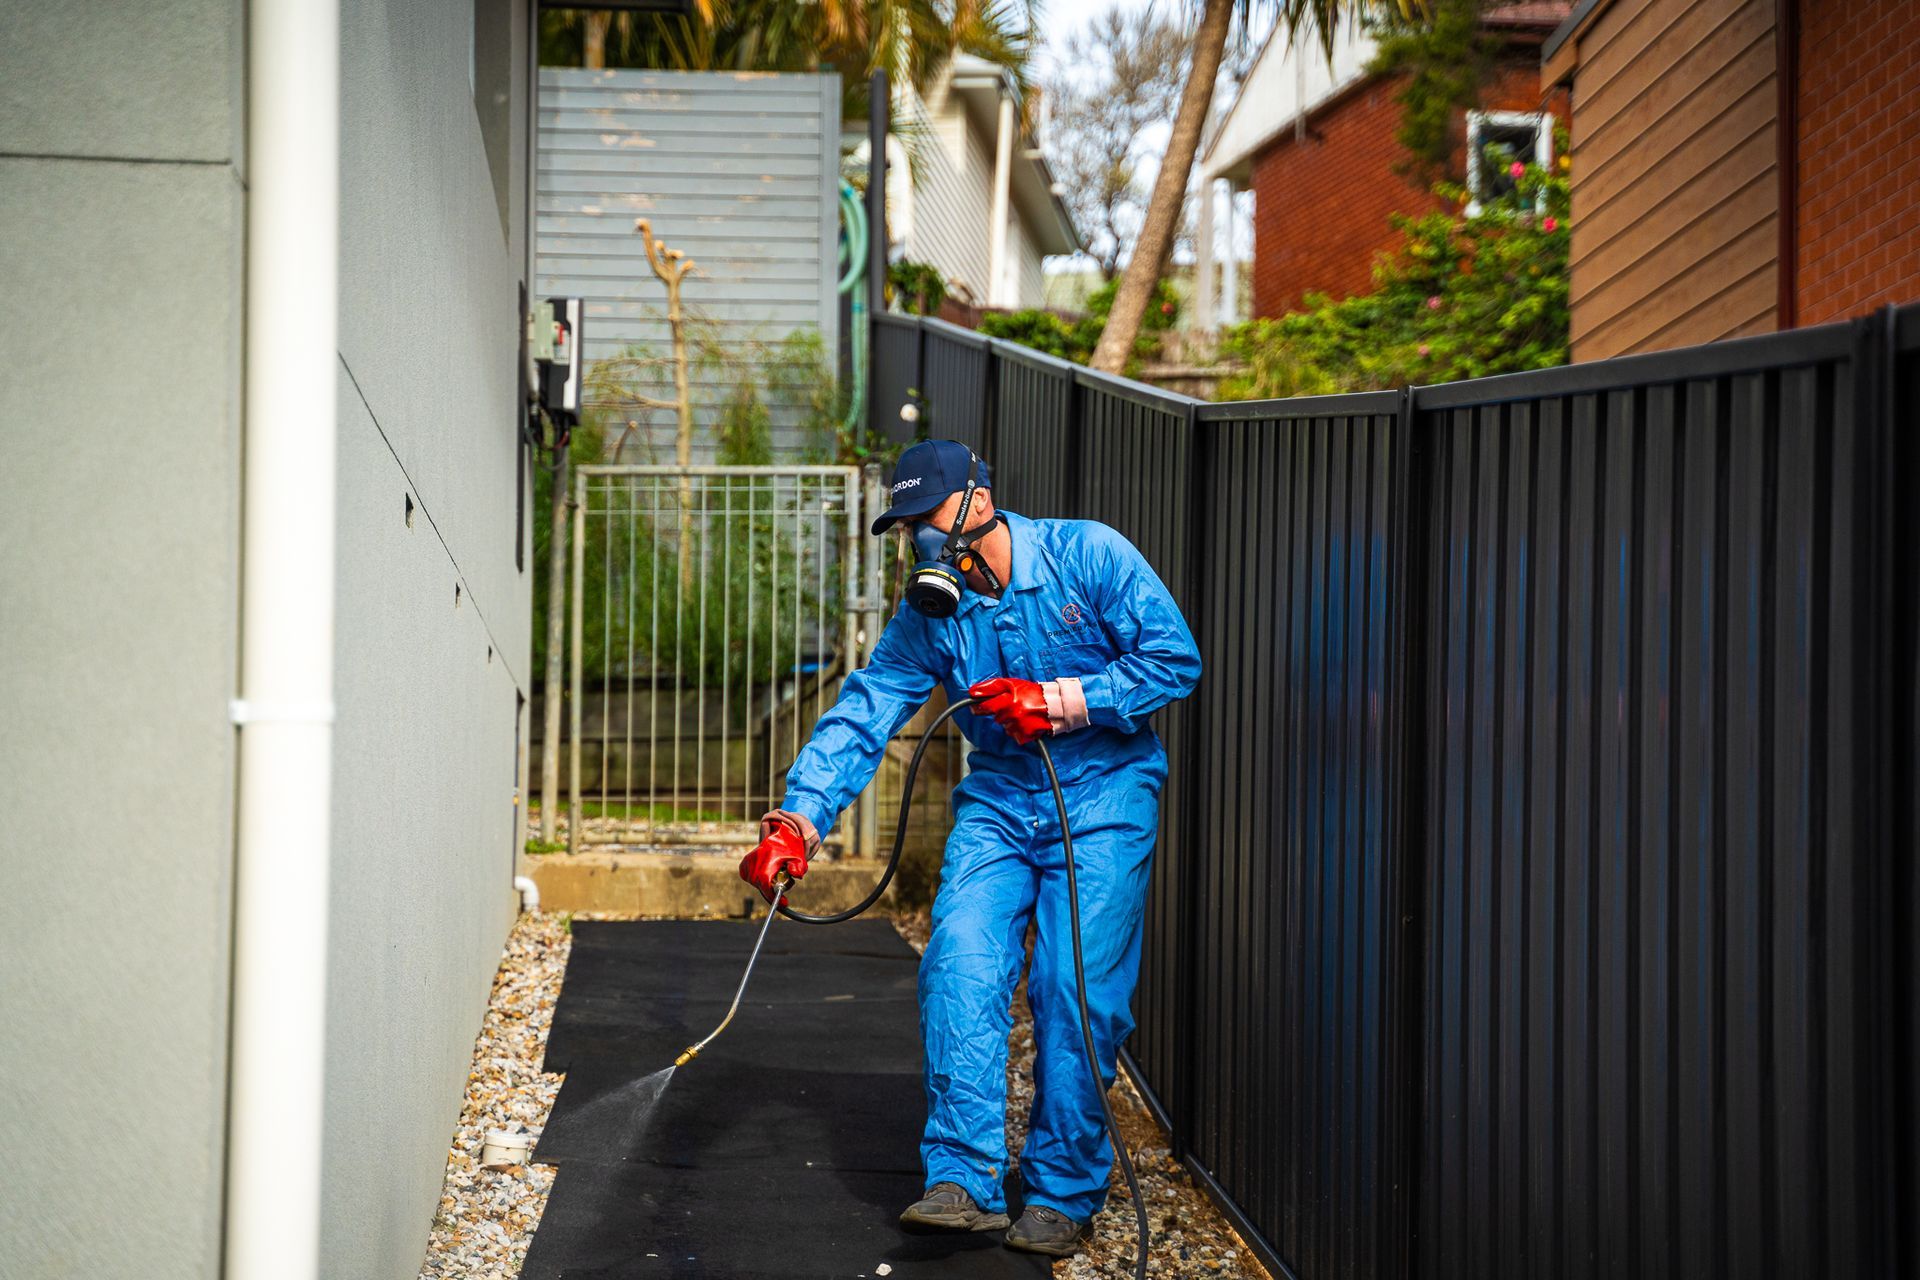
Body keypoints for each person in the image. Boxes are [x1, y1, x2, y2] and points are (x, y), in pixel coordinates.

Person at [738, 438, 1201, 1257]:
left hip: (1104, 797)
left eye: (928, 518)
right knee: (958, 962)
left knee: (1073, 988)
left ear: (977, 502)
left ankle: (1062, 1190)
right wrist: (799, 819)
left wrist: (1060, 700)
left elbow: (1174, 660)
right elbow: (871, 704)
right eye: (908, 525)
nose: (920, 538)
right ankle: (963, 1177)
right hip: (998, 801)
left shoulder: (1085, 554)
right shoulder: (933, 611)